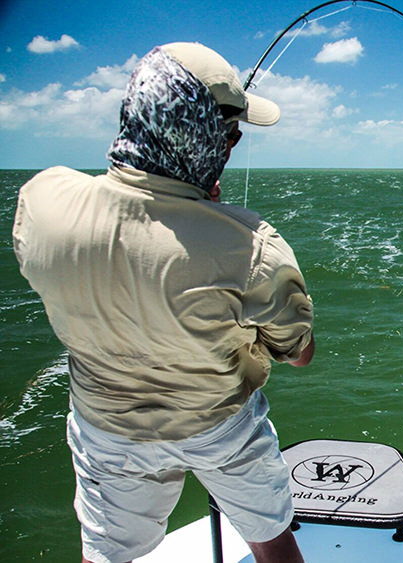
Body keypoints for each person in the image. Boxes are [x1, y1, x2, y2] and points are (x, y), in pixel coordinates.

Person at [12, 42, 314, 563]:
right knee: (271, 539)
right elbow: (299, 353)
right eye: (231, 135)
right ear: (204, 139)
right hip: (220, 429)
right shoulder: (253, 247)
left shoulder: (42, 203)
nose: (231, 147)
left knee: (104, 555)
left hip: (104, 431)